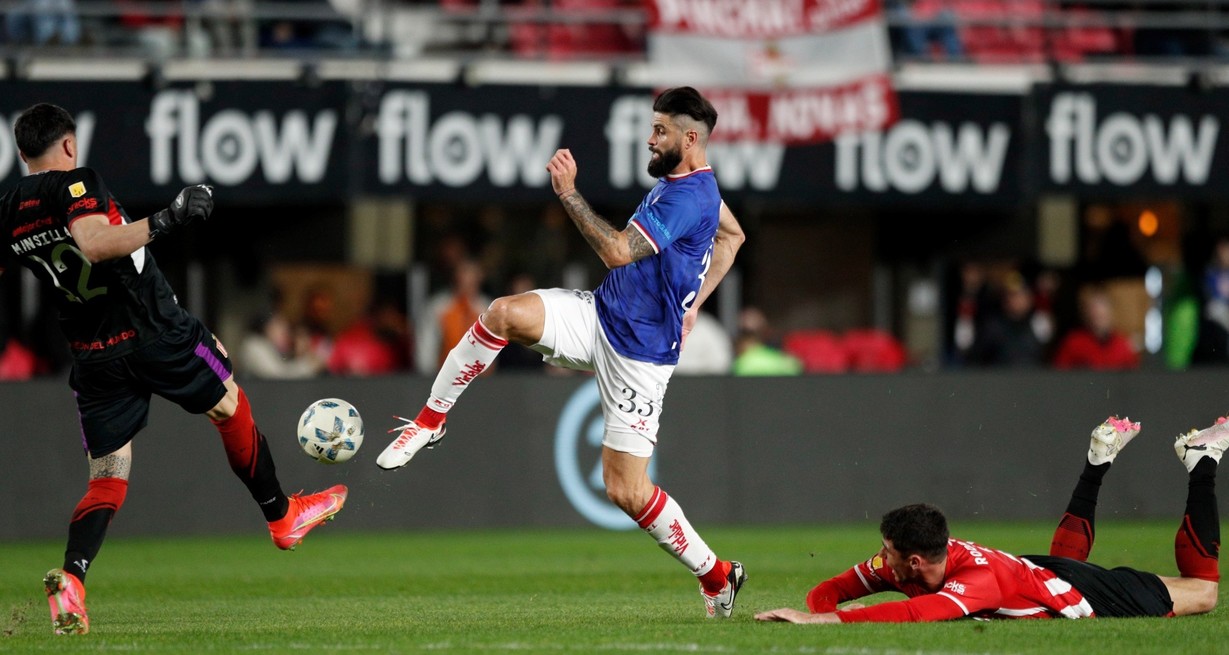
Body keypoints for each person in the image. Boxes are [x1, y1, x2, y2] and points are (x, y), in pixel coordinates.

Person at [376, 87, 749, 618]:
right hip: (599, 315)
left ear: (690, 139)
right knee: (503, 313)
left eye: (660, 130)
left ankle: (717, 575)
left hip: (640, 357)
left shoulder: (689, 198)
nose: (650, 139)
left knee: (626, 491)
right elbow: (733, 236)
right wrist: (694, 304)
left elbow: (617, 251)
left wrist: (569, 193)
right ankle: (429, 421)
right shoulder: (690, 185)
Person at [0, 104, 348, 636]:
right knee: (228, 402)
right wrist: (168, 217)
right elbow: (94, 243)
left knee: (108, 474)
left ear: (21, 152)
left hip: (93, 353)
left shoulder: (7, 207)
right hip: (152, 331)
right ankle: (282, 516)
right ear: (68, 145)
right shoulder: (75, 182)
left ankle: (73, 578)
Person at [755, 415, 1223, 623]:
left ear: (915, 561)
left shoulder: (975, 581)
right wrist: (821, 612)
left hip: (1082, 593)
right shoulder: (901, 565)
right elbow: (828, 591)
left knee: (1203, 592)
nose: (880, 558)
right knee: (1060, 569)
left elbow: (919, 613)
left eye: (888, 551)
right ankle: (1097, 462)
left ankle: (1201, 461)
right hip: (1038, 572)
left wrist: (828, 624)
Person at [1052, 285, 1140, 370]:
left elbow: (1133, 374)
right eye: (1095, 313)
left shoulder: (1123, 345)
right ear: (1086, 313)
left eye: (1102, 314)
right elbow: (1058, 373)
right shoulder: (1074, 343)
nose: (1099, 316)